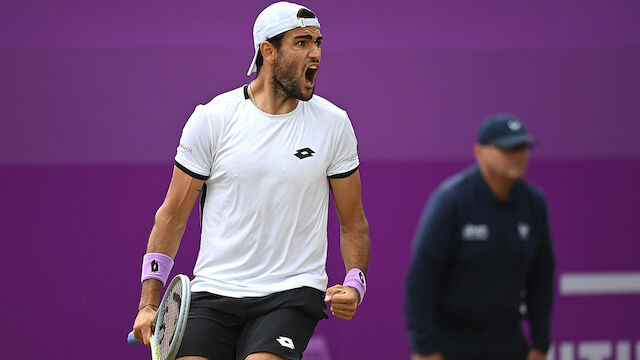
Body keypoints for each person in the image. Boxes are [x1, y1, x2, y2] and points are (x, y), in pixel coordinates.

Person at [131, 2, 370, 360]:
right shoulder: (212, 120)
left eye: (318, 42)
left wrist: (355, 283)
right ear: (268, 51)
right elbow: (172, 216)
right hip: (214, 292)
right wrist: (149, 304)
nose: (316, 53)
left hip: (291, 292)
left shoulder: (333, 124)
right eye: (302, 42)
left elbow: (354, 224)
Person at [405, 114, 555, 360]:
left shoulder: (534, 203)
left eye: (522, 148)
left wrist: (540, 344)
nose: (518, 155)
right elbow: (422, 277)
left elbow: (541, 278)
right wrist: (424, 347)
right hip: (452, 342)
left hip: (508, 339)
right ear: (480, 152)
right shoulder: (452, 200)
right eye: (508, 148)